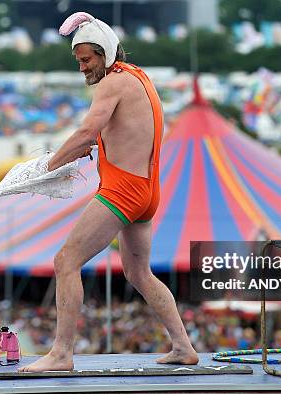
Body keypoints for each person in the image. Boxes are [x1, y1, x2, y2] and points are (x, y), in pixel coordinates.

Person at [18, 12, 198, 372]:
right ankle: (183, 346)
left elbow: (87, 131)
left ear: (106, 52)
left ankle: (62, 354)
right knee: (138, 273)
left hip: (124, 190)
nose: (83, 68)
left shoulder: (112, 83)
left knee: (65, 261)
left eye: (87, 60)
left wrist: (44, 169)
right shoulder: (139, 78)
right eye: (79, 61)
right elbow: (123, 134)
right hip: (147, 191)